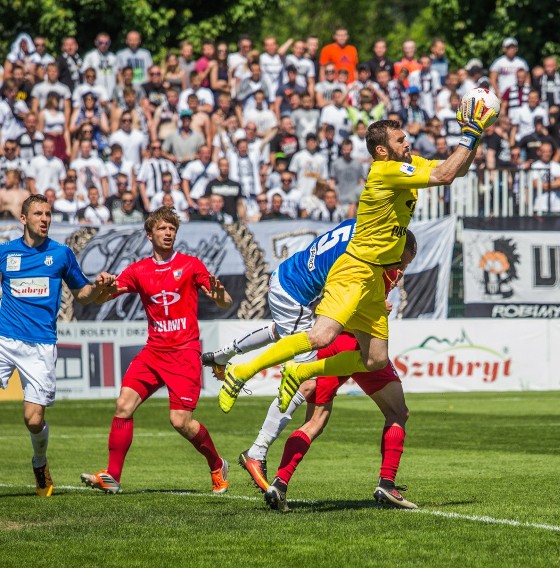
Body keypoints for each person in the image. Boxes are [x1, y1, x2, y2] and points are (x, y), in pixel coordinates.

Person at [217, 110, 493, 413]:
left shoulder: (408, 164)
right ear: (382, 151)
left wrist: (475, 134)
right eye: (400, 140)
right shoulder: (385, 171)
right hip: (355, 268)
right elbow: (445, 175)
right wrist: (470, 132)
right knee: (321, 336)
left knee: (375, 359)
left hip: (375, 276)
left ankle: (300, 371)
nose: (408, 143)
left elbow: (457, 169)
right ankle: (241, 371)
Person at [203, 223, 417, 508]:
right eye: (401, 265)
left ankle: (279, 482)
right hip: (352, 344)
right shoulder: (370, 261)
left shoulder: (361, 234)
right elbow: (342, 297)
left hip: (332, 332)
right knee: (395, 410)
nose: (400, 273)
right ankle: (386, 483)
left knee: (314, 418)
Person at [81, 207, 233, 495]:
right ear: (149, 234)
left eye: (172, 229)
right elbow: (101, 299)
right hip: (153, 353)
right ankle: (112, 476)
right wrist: (101, 286)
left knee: (180, 421)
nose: (168, 233)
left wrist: (218, 293)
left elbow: (224, 300)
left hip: (184, 353)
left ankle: (217, 464)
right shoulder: (139, 270)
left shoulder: (190, 265)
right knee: (124, 405)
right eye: (162, 229)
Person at [0, 194, 114, 496]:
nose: (44, 219)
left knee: (33, 419)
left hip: (40, 345)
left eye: (48, 214)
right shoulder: (5, 253)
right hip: (4, 338)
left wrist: (99, 288)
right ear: (23, 219)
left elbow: (83, 294)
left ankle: (40, 462)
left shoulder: (61, 254)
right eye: (38, 213)